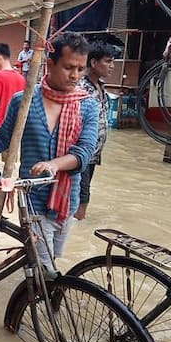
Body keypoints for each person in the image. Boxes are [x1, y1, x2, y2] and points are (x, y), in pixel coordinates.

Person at [0, 32, 99, 271]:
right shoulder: (25, 100)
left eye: (80, 69)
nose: (75, 76)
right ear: (50, 63)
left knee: (50, 261)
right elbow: (2, 139)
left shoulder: (88, 104)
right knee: (45, 268)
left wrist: (54, 164)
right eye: (69, 67)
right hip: (33, 200)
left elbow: (85, 152)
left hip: (68, 200)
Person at [74, 42, 114, 220]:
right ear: (94, 63)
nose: (112, 66)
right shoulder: (81, 89)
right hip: (80, 152)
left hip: (94, 155)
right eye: (108, 61)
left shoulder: (101, 87)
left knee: (81, 196)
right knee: (81, 199)